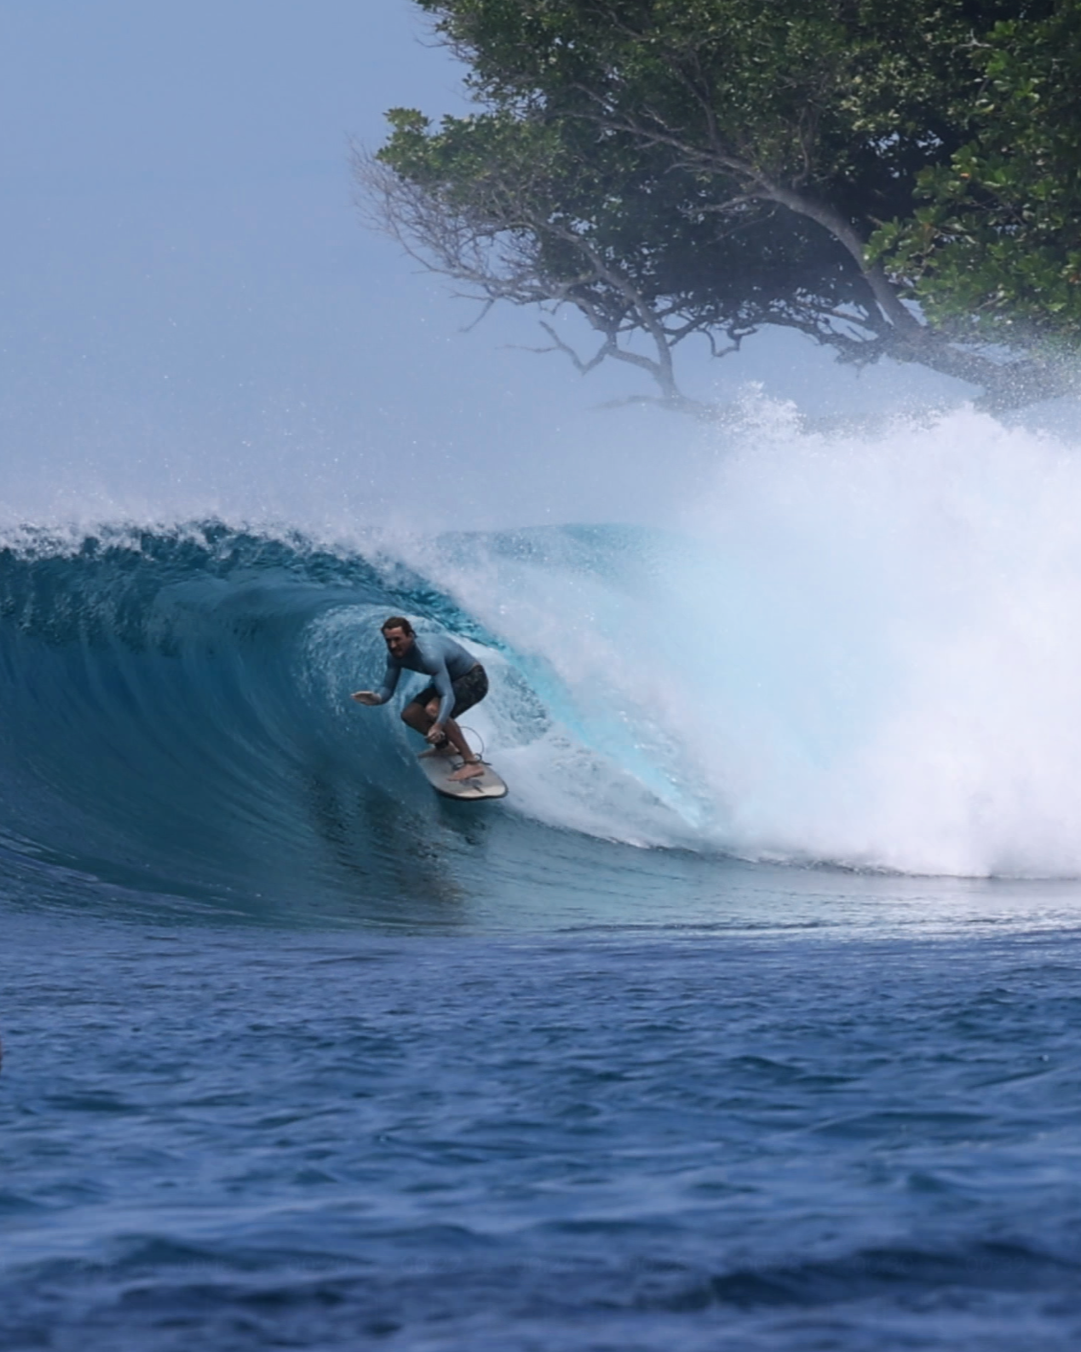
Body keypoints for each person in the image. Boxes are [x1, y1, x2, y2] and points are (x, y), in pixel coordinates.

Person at [352, 617, 489, 781]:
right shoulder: (394, 657)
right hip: (450, 680)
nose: (393, 645)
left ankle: (472, 763)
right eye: (388, 641)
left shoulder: (428, 656)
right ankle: (444, 747)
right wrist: (376, 698)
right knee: (410, 715)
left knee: (434, 710)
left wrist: (438, 725)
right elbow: (388, 688)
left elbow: (447, 695)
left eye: (397, 639)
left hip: (473, 678)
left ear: (411, 635)